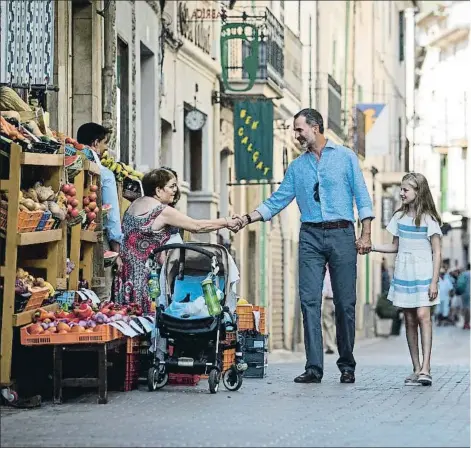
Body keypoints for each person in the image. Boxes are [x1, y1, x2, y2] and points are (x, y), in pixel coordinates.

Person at [232, 108, 374, 384]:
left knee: (345, 304)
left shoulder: (345, 157)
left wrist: (366, 233)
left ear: (316, 128)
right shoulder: (297, 167)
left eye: (299, 130)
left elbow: (363, 197)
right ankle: (314, 367)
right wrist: (248, 218)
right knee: (309, 301)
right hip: (310, 235)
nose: (296, 135)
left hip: (342, 233)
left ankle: (347, 365)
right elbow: (278, 200)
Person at [116, 168, 242, 314]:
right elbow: (196, 226)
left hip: (126, 274)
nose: (175, 190)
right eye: (171, 186)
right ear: (158, 190)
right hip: (144, 279)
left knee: (126, 319)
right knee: (144, 323)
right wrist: (226, 222)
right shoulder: (161, 210)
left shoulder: (134, 205)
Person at [372, 172, 442, 386]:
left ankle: (426, 368)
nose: (401, 193)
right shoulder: (398, 218)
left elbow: (437, 252)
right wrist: (372, 247)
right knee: (410, 320)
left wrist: (434, 282)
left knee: (424, 316)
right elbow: (394, 246)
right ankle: (415, 367)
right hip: (404, 273)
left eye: (405, 189)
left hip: (423, 272)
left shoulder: (429, 219)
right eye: (401, 189)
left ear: (418, 192)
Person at [76, 123, 123, 299]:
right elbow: (111, 216)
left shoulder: (74, 168)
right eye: (105, 144)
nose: (106, 149)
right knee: (101, 295)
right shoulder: (105, 174)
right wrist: (116, 249)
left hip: (73, 237)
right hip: (98, 240)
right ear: (95, 143)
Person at [322, 266, 336, 355]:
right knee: (335, 323)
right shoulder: (338, 272)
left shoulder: (325, 275)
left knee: (328, 323)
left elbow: (324, 291)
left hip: (328, 300)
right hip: (337, 300)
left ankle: (330, 345)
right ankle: (333, 343)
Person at [455, 263, 470, 330]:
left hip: (465, 293)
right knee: (468, 308)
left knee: (466, 308)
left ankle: (466, 323)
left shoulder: (464, 274)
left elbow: (460, 284)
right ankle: (467, 323)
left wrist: (458, 291)